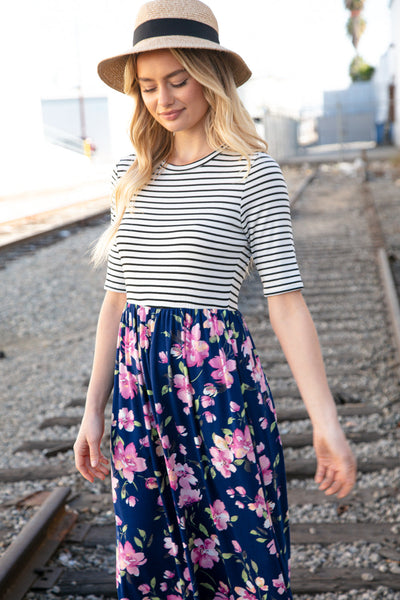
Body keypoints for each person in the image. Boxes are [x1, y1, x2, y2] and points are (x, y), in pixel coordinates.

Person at [74, 1, 357, 598]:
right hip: (139, 397)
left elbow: (286, 303)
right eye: (148, 86)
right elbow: (116, 303)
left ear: (210, 76)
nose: (163, 98)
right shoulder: (130, 171)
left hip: (218, 392)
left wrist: (327, 424)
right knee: (153, 563)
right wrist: (92, 408)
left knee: (240, 557)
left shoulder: (251, 170)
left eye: (177, 80)